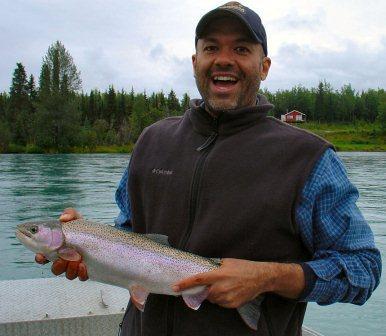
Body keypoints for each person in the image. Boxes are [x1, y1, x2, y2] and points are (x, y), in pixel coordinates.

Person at [36, 2, 381, 335]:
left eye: (242, 49)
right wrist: (89, 247)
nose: (224, 60)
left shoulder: (308, 158)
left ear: (264, 67)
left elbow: (363, 268)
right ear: (195, 60)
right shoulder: (151, 141)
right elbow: (128, 232)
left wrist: (268, 277)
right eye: (211, 47)